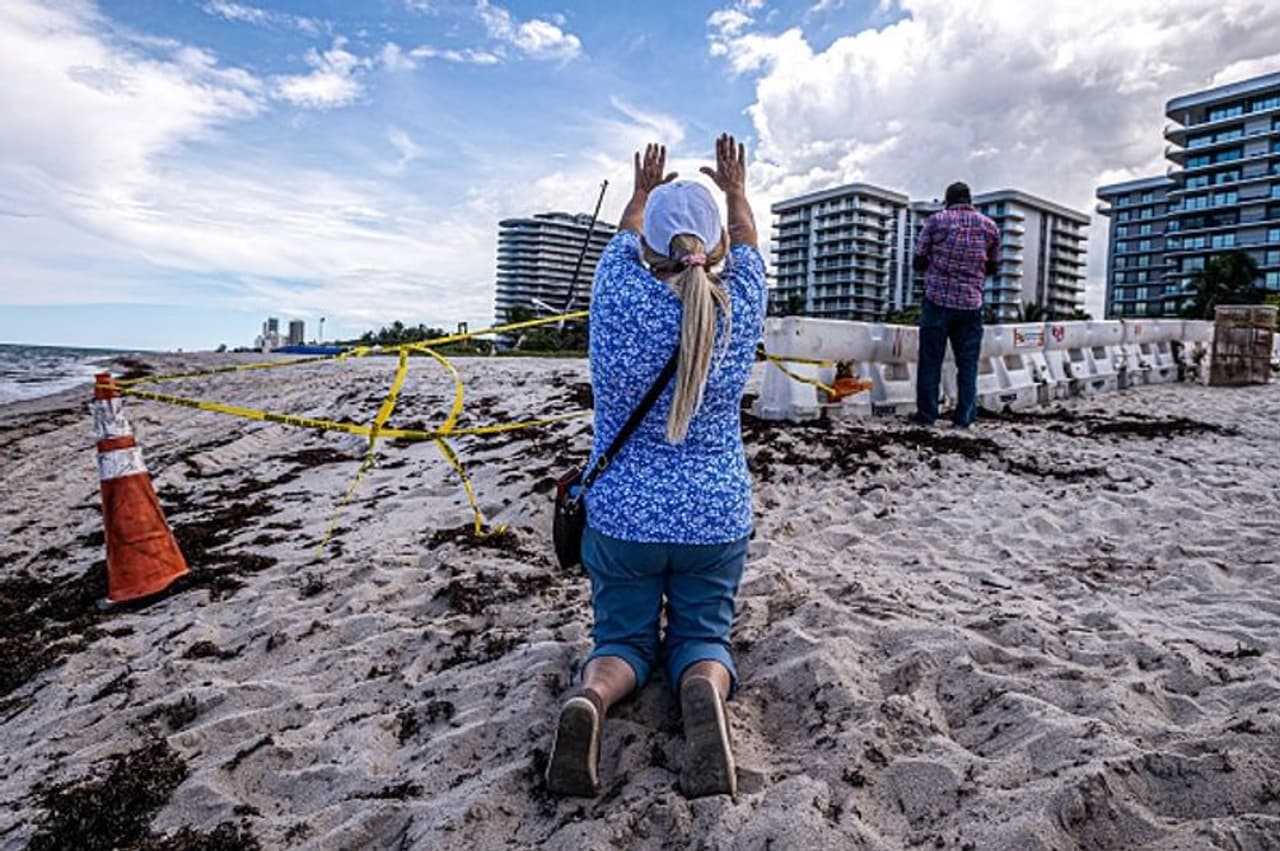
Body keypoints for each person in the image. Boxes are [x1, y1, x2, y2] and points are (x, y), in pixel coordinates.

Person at [545, 135, 765, 800]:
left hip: (623, 517)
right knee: (703, 635)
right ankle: (700, 685)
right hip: (713, 514)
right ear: (717, 245)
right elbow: (748, 242)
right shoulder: (741, 299)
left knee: (621, 641)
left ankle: (594, 696)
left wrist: (640, 193)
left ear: (649, 247)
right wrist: (735, 189)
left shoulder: (615, 290)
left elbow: (627, 236)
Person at [910, 181, 999, 428]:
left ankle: (927, 416)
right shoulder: (990, 227)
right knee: (968, 365)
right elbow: (993, 266)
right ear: (970, 201)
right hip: (971, 305)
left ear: (947, 200)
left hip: (937, 300)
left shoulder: (937, 221)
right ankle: (964, 418)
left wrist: (938, 265)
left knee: (930, 361)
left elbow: (918, 260)